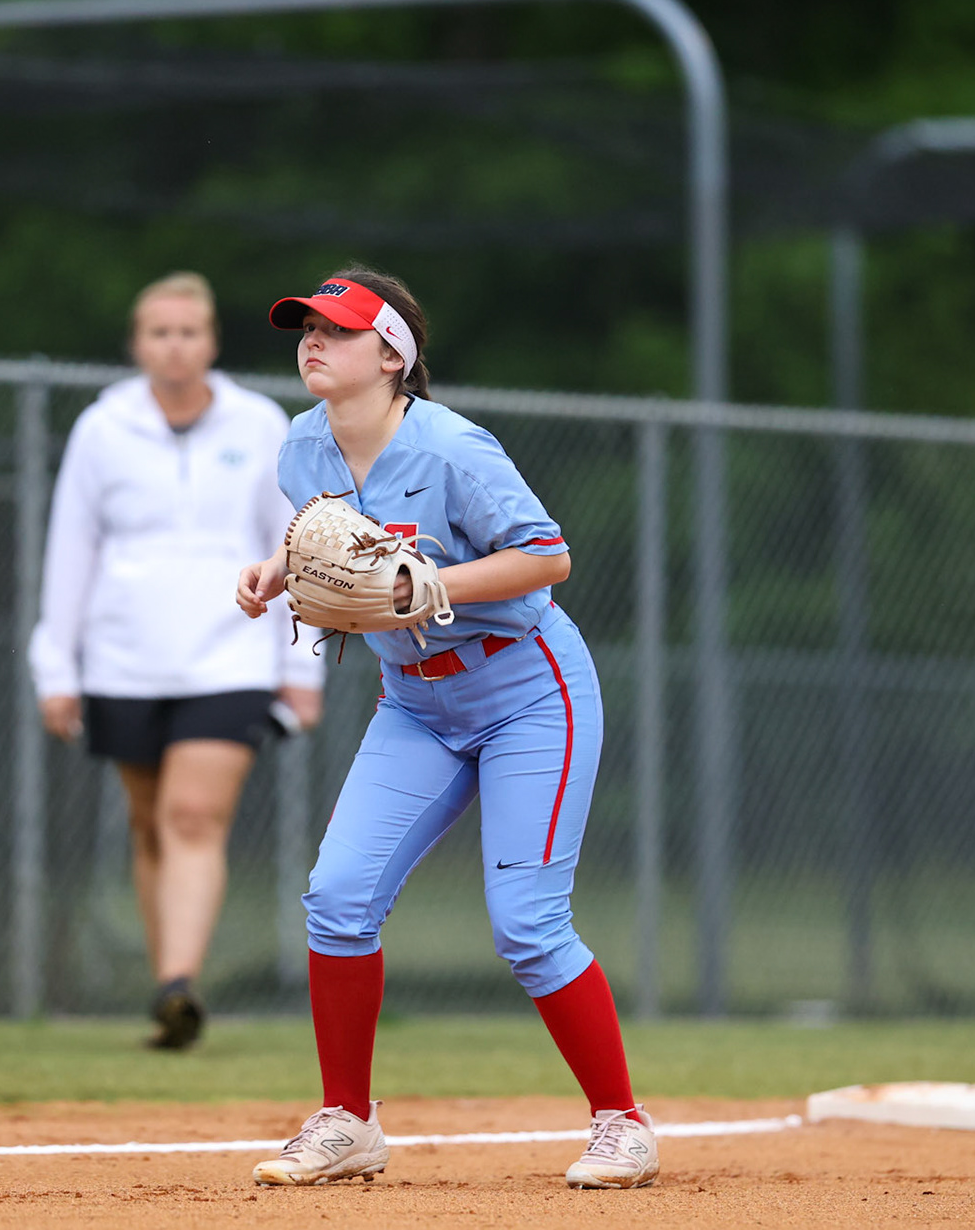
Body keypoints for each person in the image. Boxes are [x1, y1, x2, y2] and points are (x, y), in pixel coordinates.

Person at [235, 268, 659, 1189]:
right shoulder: (301, 448)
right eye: (304, 327)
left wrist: (436, 584)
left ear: (393, 355)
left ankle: (622, 1124)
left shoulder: (454, 449)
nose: (311, 340)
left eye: (336, 330)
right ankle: (349, 1121)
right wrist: (276, 568)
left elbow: (549, 556)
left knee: (528, 925)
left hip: (527, 692)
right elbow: (327, 536)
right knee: (338, 897)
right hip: (416, 703)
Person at [30, 271, 323, 1050]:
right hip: (122, 659)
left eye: (189, 331)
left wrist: (304, 664)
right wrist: (56, 667)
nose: (175, 346)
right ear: (138, 344)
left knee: (193, 815)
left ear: (211, 342)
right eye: (159, 332)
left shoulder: (258, 424)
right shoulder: (104, 427)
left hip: (231, 655)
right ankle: (171, 990)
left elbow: (292, 542)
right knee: (149, 822)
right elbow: (71, 551)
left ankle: (177, 984)